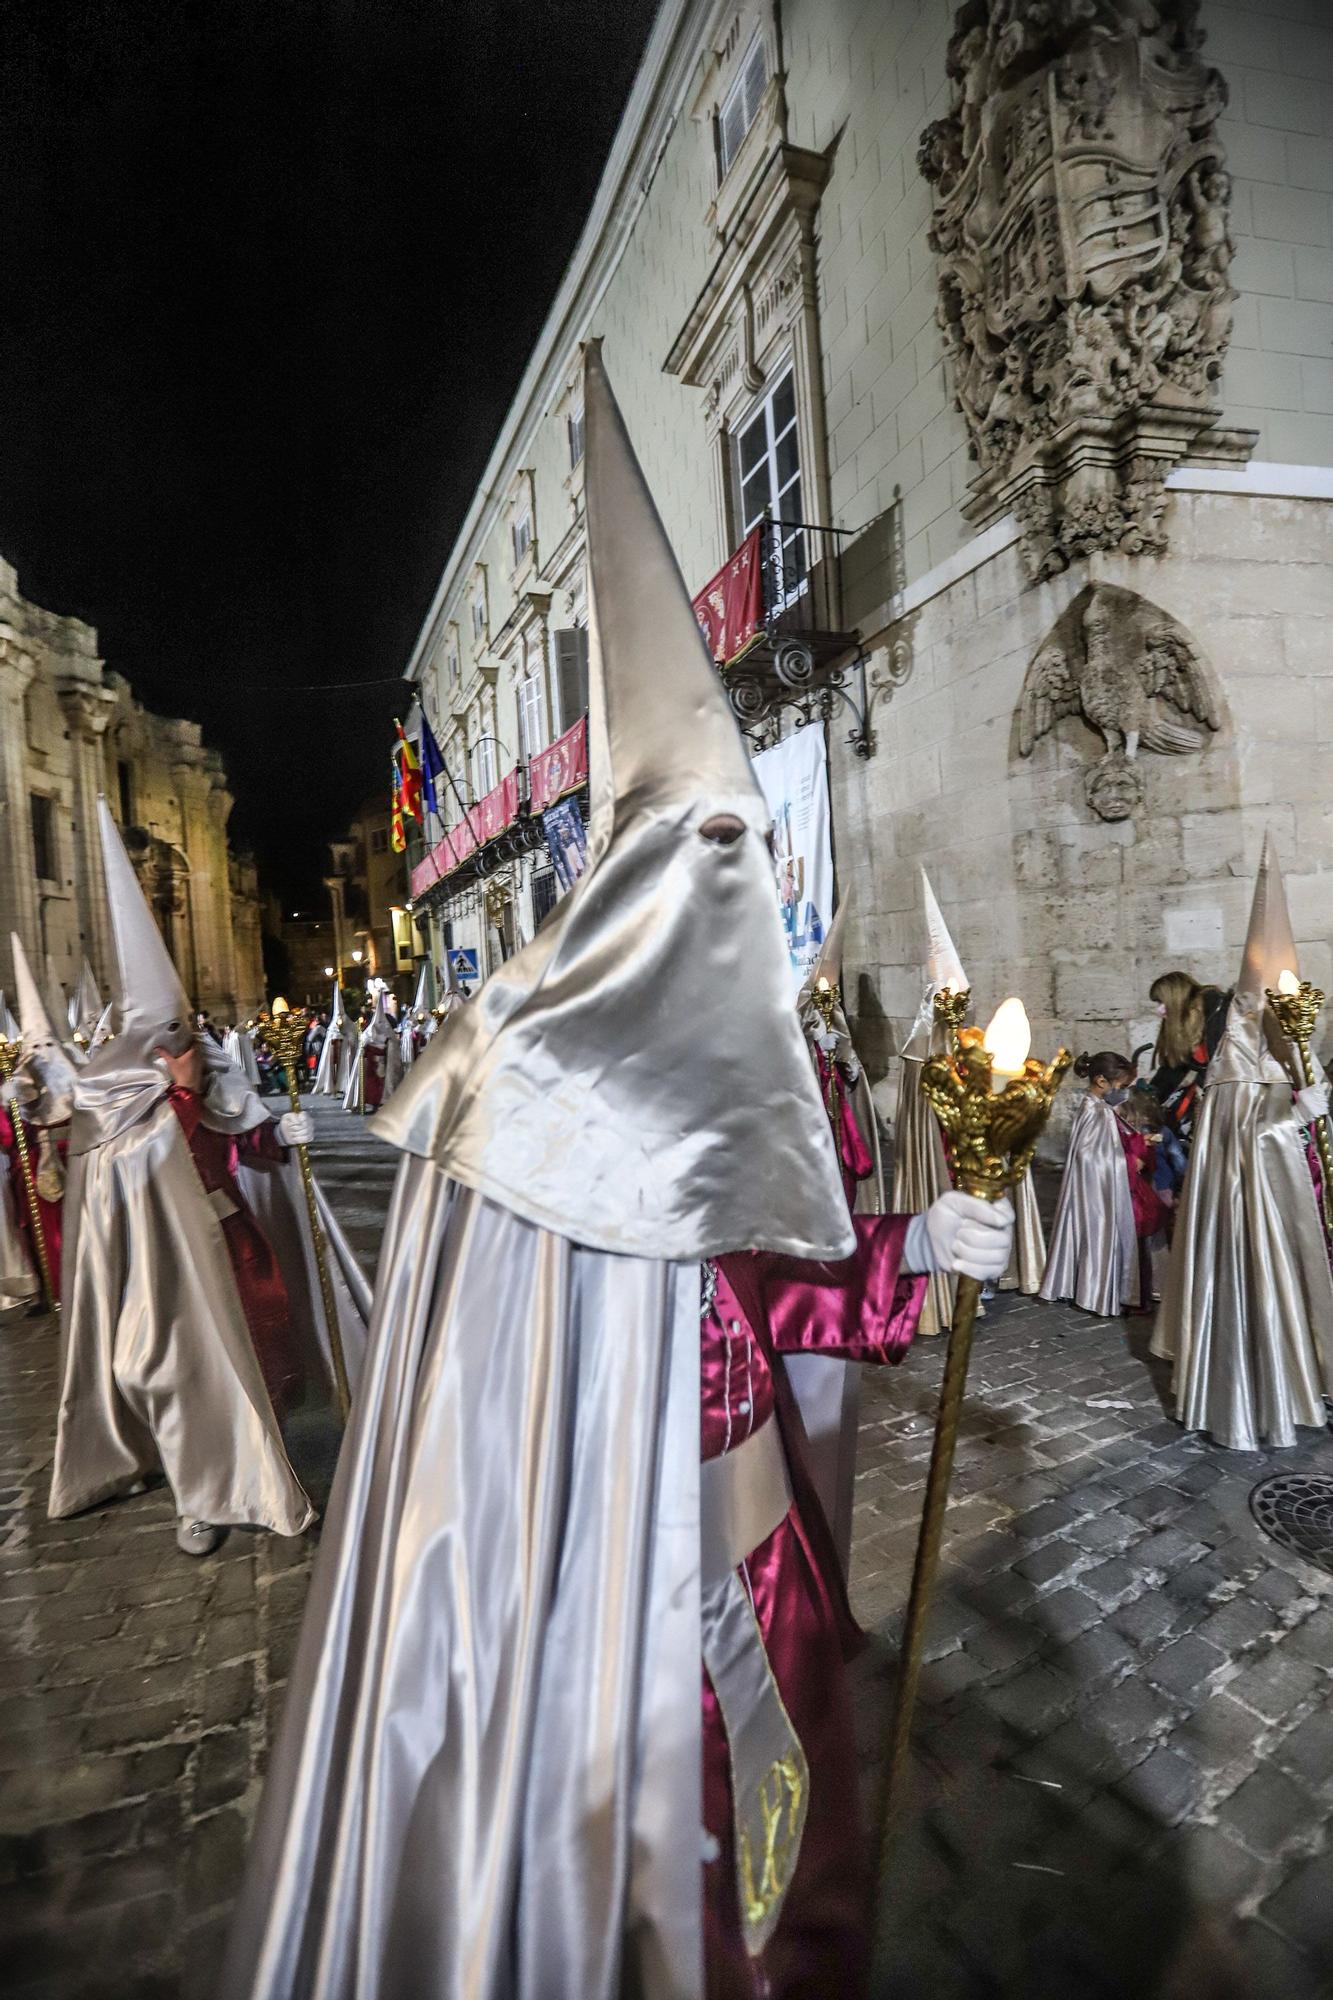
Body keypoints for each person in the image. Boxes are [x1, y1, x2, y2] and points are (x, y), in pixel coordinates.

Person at [218, 344, 1014, 2000]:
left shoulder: (696, 1081)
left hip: (753, 1558)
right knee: (657, 1911)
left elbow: (764, 1279)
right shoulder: (528, 1069)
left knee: (781, 1891)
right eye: (731, 863)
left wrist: (921, 1238)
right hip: (600, 1597)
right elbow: (475, 1403)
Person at [49, 799, 369, 1557]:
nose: (190, 1049)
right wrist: (184, 1104)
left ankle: (263, 1459)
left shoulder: (208, 1080)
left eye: (188, 1037)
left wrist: (279, 1137)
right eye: (175, 1040)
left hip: (232, 1244)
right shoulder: (113, 1103)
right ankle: (202, 1493)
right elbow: (121, 1182)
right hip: (159, 1271)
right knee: (172, 1371)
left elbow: (243, 1146)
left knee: (263, 1356)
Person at [1153, 836, 1333, 1450]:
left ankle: (1309, 1363)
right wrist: (1294, 1117)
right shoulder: (1233, 1069)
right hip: (1248, 1221)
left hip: (1292, 1206)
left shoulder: (1289, 1052)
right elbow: (1247, 1149)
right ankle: (1254, 1385)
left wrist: (1308, 1102)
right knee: (1255, 1281)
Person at [0, 936, 74, 1309]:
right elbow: (11, 1130)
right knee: (39, 1229)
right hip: (31, 1167)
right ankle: (49, 1288)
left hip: (74, 1160)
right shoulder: (22, 1080)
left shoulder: (71, 1074)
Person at [1039, 1051, 1139, 1317]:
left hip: (1102, 1184)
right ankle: (1092, 1291)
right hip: (1095, 1188)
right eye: (1121, 1086)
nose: (1123, 1092)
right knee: (1096, 1234)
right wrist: (1113, 1166)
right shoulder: (1093, 1110)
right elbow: (1086, 1153)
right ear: (1102, 1081)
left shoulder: (1101, 1108)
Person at [1148, 969, 1231, 1146]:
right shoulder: (1188, 1025)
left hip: (1228, 1103)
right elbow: (1176, 1067)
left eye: (1161, 1002)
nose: (1160, 1010)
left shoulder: (1218, 1013)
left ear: (1174, 998)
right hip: (1209, 1101)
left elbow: (1224, 1065)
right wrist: (1148, 1097)